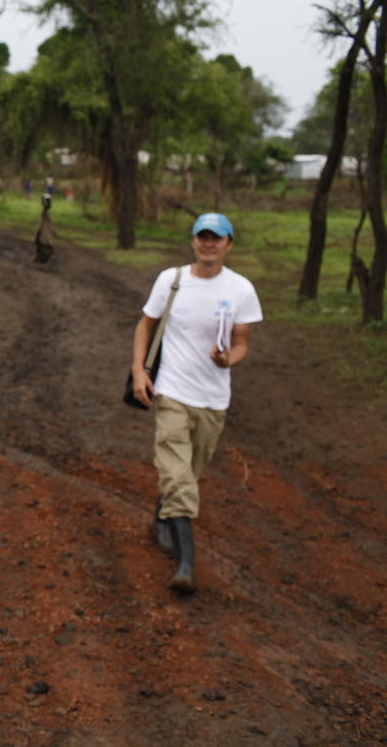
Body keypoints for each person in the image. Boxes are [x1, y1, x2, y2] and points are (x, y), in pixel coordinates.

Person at [130, 212, 262, 594]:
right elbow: (145, 325)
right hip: (172, 392)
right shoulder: (171, 281)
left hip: (214, 399)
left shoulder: (240, 290)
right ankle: (185, 564)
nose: (208, 243)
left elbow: (242, 345)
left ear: (228, 244)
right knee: (177, 475)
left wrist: (227, 360)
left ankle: (161, 520)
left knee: (188, 472)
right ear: (192, 241)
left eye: (216, 238)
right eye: (202, 236)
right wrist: (139, 371)